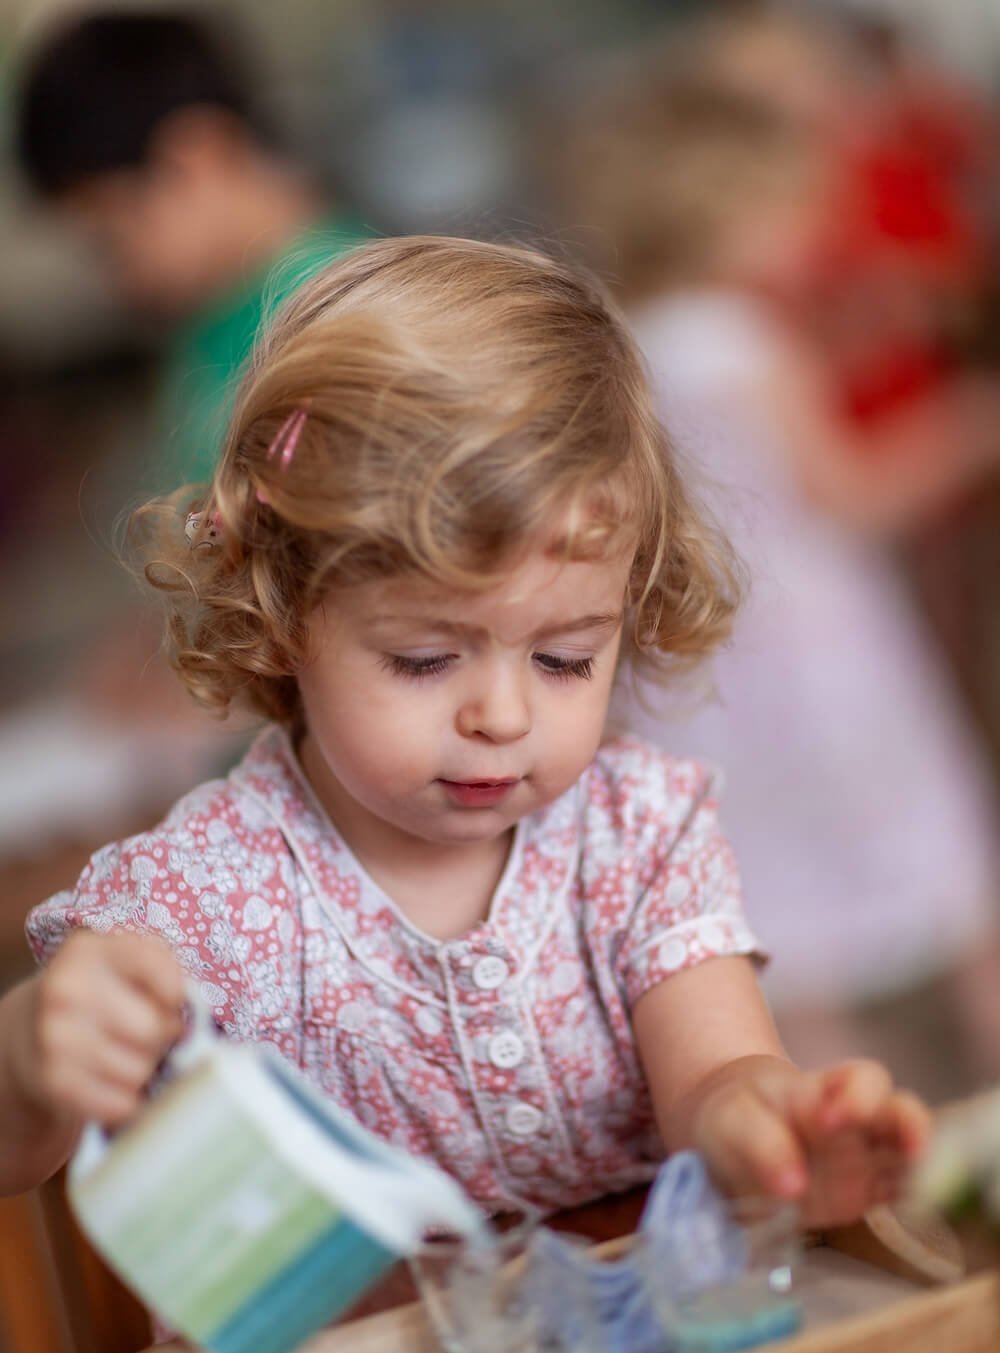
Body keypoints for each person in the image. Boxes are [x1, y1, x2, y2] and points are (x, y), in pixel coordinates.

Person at [0, 237, 928, 1228]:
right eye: (423, 659)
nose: (503, 716)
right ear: (279, 619)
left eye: (565, 658)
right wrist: (29, 1055)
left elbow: (717, 1076)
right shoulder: (199, 901)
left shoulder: (636, 835)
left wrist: (769, 1122)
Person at [554, 28, 1000, 1091]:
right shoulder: (753, 343)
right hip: (830, 671)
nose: (813, 232)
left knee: (797, 949)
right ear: (730, 219)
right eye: (792, 210)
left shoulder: (635, 348)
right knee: (960, 902)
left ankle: (861, 1161)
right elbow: (845, 491)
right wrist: (969, 421)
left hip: (715, 685)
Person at [14, 5, 369, 490]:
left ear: (193, 158)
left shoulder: (353, 312)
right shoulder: (211, 319)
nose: (116, 277)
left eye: (109, 237)